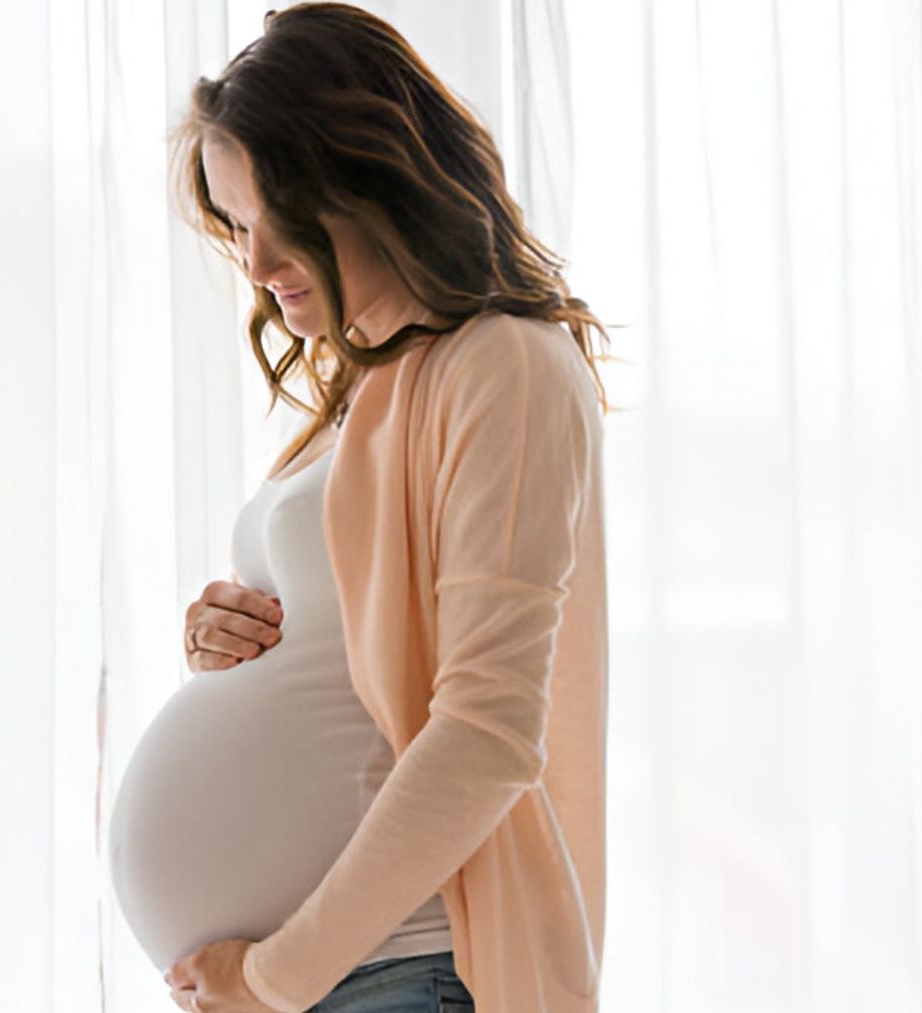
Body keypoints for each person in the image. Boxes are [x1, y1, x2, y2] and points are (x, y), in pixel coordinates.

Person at [155, 4, 614, 1011]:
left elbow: (488, 729)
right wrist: (223, 646)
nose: (262, 265)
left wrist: (273, 975)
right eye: (238, 226)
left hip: (411, 966)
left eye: (288, 218)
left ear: (377, 181)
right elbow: (358, 668)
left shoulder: (506, 365)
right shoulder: (367, 385)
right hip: (347, 974)